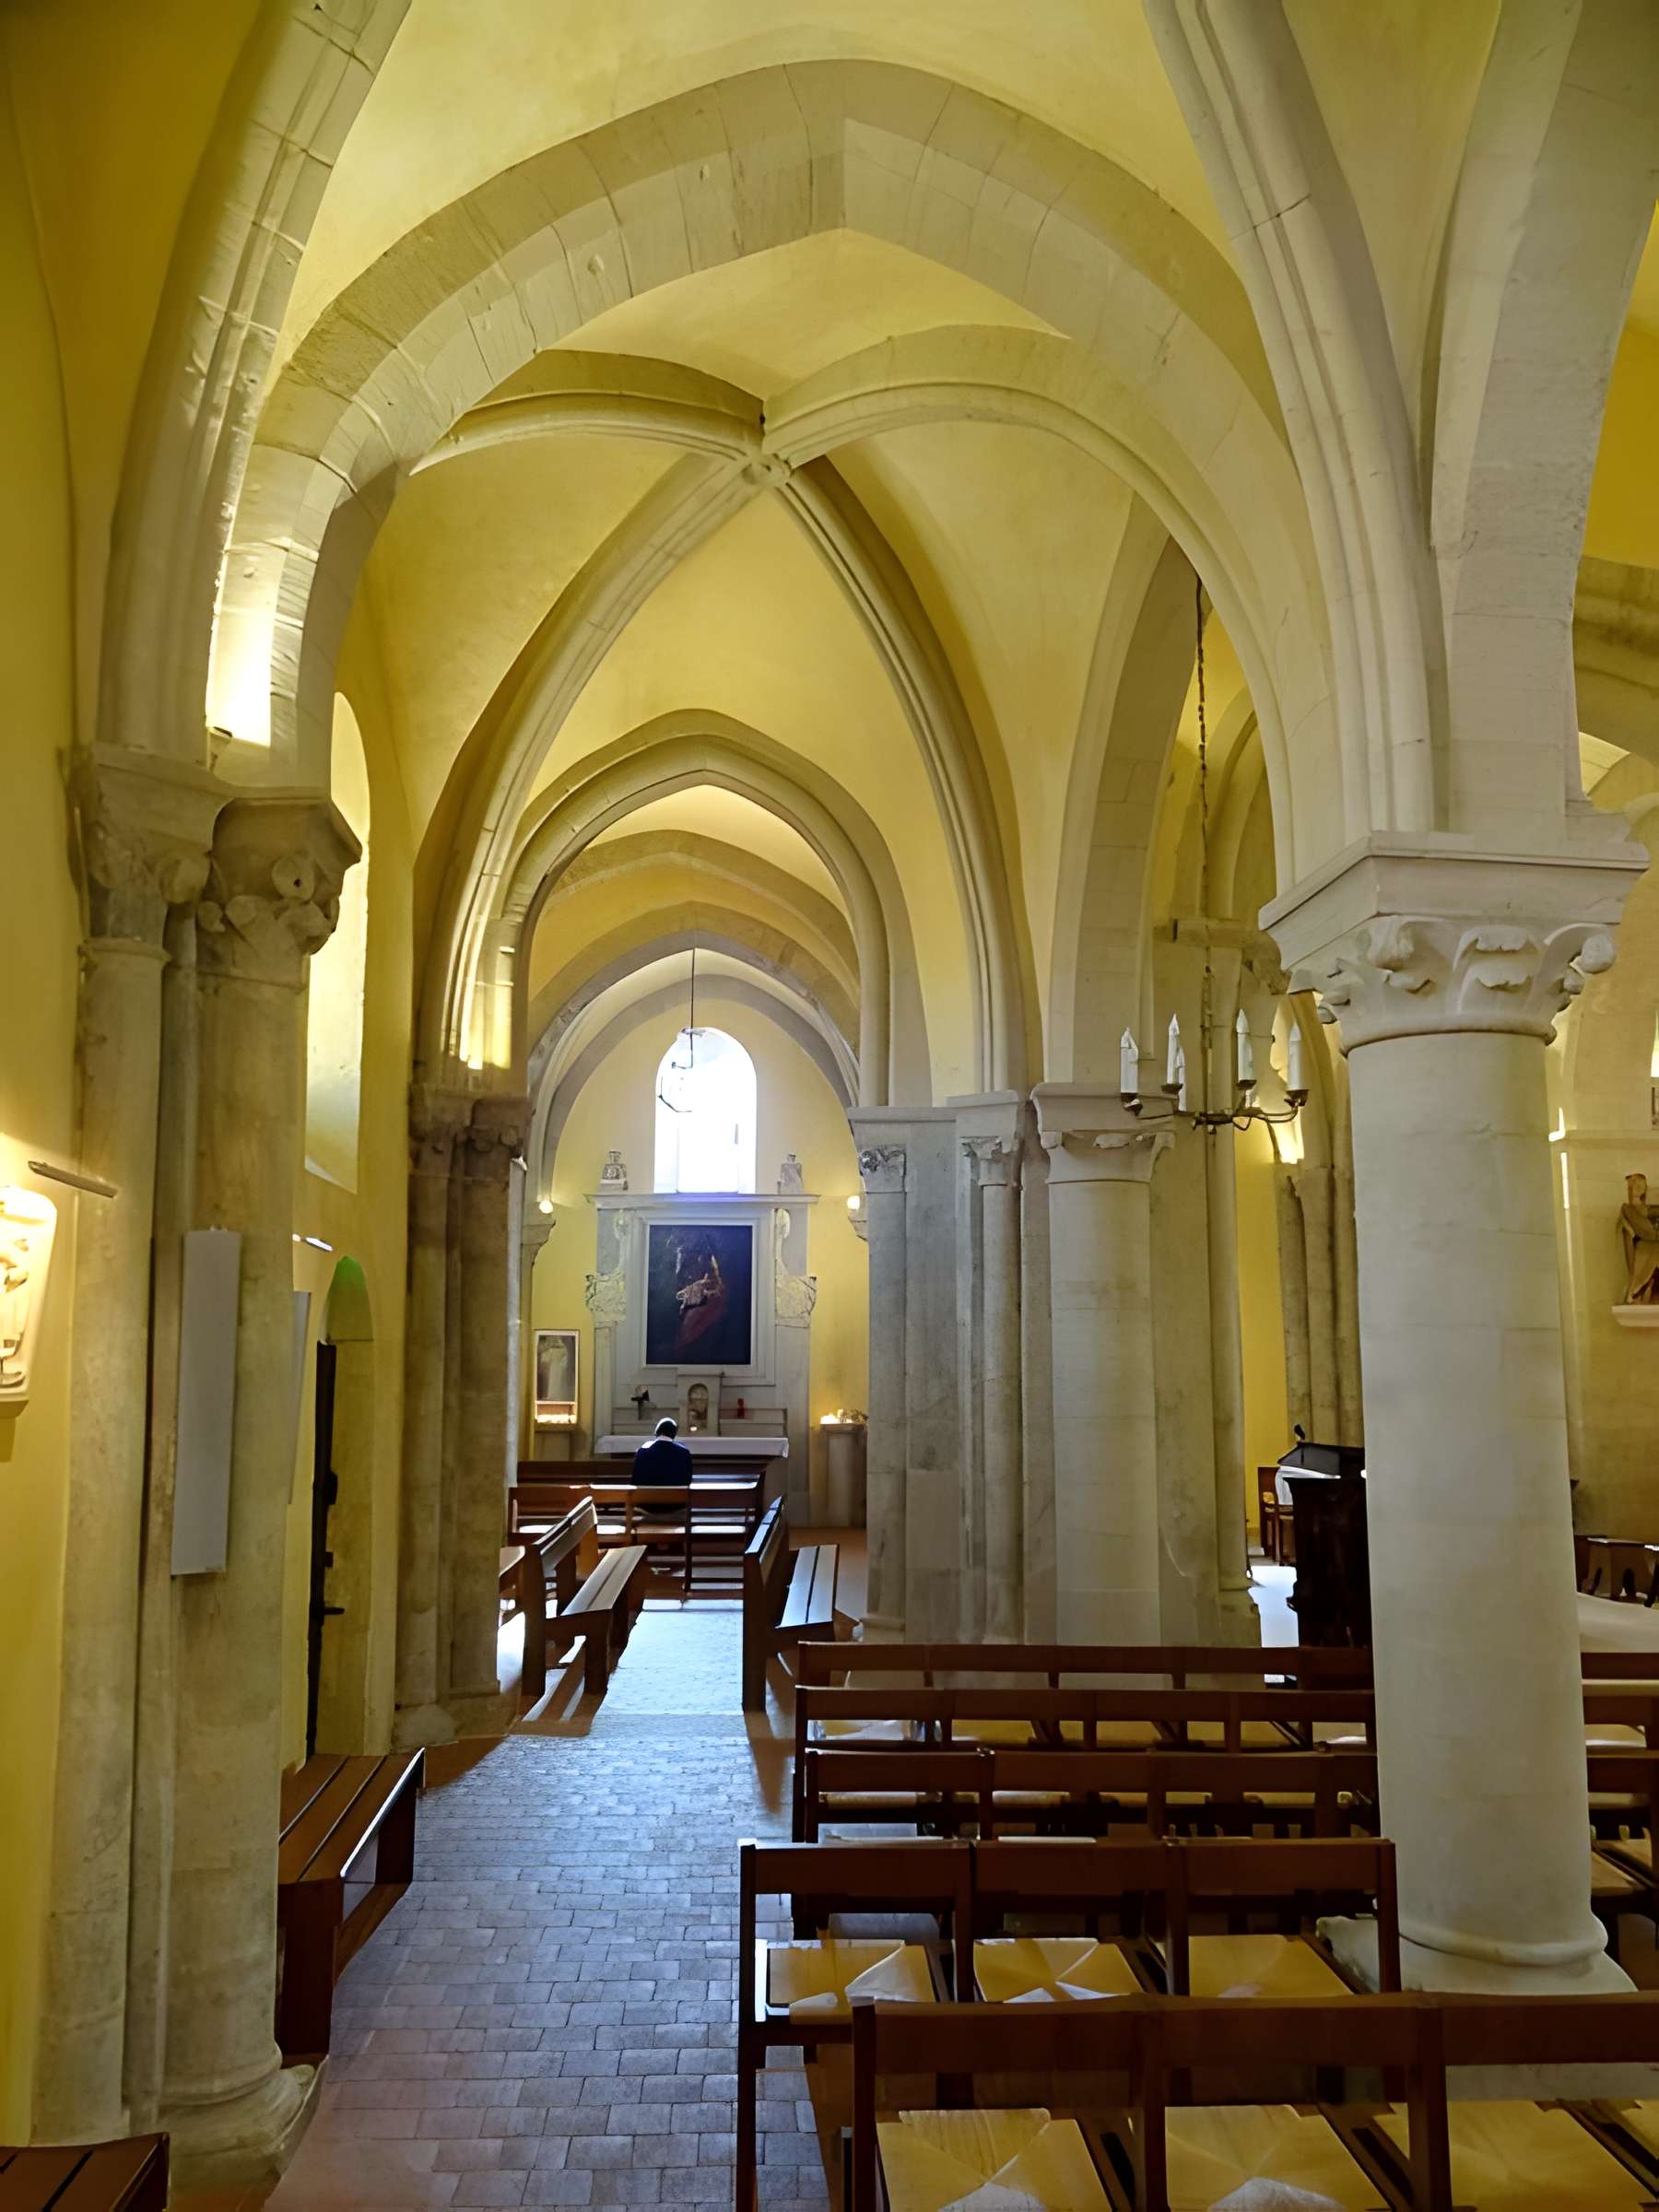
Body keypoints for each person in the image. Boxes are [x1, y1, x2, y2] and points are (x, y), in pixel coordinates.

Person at [632, 1415, 693, 1518]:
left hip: (646, 1503)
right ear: (674, 1434)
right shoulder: (684, 1452)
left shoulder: (643, 1451)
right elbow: (687, 1480)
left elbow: (635, 1479)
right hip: (676, 1504)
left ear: (657, 1431)